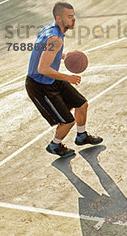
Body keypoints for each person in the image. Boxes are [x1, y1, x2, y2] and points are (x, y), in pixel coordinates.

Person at [25, 1, 102, 158]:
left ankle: (81, 136)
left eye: (73, 16)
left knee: (81, 104)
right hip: (39, 85)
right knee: (67, 121)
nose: (73, 19)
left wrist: (62, 56)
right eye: (69, 16)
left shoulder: (50, 30)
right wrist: (68, 77)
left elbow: (43, 52)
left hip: (51, 79)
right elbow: (43, 69)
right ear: (59, 18)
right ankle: (55, 145)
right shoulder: (55, 38)